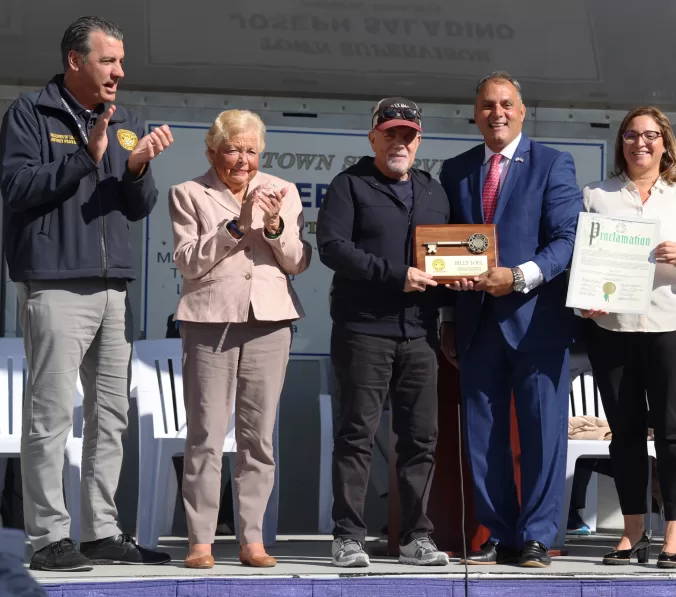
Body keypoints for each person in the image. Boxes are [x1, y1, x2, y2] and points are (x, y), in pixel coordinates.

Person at [0, 16, 174, 571]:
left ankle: (101, 532)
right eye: (108, 61)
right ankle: (48, 537)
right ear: (75, 60)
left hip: (113, 287)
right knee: (51, 414)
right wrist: (85, 157)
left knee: (110, 416)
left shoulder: (126, 121)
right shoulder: (31, 112)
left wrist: (139, 168)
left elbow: (138, 206)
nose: (119, 72)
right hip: (53, 283)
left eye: (121, 62)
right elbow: (16, 187)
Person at [438, 71, 581, 567]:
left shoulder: (553, 164)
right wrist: (448, 317)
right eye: (486, 105)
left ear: (522, 111)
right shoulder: (454, 171)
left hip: (537, 319)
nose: (496, 113)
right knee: (484, 435)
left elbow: (566, 240)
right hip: (476, 323)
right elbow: (446, 247)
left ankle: (538, 536)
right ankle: (500, 535)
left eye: (506, 104)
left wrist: (518, 277)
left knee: (543, 434)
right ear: (474, 114)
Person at [168, 109, 312, 569]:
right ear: (213, 151)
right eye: (233, 148)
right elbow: (190, 262)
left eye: (251, 150)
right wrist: (237, 226)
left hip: (269, 321)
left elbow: (297, 261)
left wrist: (272, 228)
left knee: (258, 438)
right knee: (206, 435)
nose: (243, 159)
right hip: (209, 323)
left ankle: (252, 538)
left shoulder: (282, 192)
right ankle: (201, 541)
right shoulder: (188, 193)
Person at [579, 106, 676, 568]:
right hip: (611, 329)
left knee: (675, 431)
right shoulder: (597, 194)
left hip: (671, 327)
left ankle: (674, 533)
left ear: (665, 143)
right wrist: (585, 298)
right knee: (626, 434)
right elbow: (584, 262)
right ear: (621, 143)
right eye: (632, 135)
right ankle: (634, 532)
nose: (641, 143)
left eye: (651, 135)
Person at [316, 98, 451, 568]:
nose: (400, 143)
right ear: (373, 136)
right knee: (356, 434)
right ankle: (348, 537)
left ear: (419, 142)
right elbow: (332, 248)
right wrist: (396, 274)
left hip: (421, 334)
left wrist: (459, 287)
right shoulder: (348, 186)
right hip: (363, 331)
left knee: (421, 439)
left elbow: (450, 258)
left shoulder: (434, 192)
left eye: (408, 135)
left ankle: (416, 536)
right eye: (391, 133)